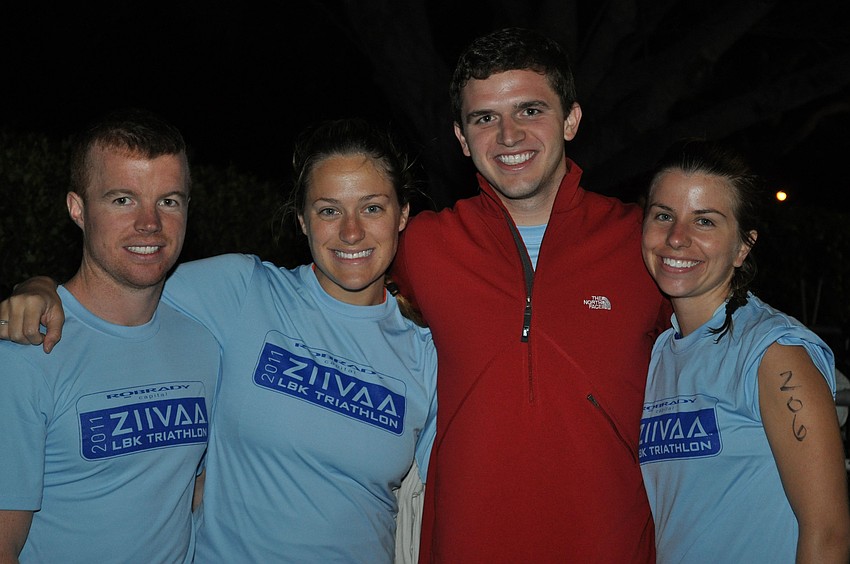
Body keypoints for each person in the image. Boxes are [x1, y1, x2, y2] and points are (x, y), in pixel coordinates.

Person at [0, 117, 438, 563]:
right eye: (328, 210)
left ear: (402, 214)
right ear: (302, 221)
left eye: (372, 208)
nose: (350, 232)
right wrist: (37, 288)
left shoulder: (428, 352)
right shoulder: (241, 290)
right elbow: (120, 285)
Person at [390, 28, 670, 562]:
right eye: (485, 118)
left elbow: (722, 340)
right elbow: (324, 307)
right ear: (460, 137)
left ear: (571, 120)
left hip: (612, 546)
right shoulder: (423, 243)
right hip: (465, 545)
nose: (509, 135)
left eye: (530, 110)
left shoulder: (645, 241)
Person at [0, 108, 220, 562]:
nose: (150, 223)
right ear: (77, 209)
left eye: (169, 200)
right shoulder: (26, 352)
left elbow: (193, 491)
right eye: (122, 199)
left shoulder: (207, 343)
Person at [639, 139, 850, 562]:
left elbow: (826, 533)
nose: (677, 238)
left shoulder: (773, 352)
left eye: (705, 222)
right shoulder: (660, 352)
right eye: (664, 215)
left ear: (742, 246)